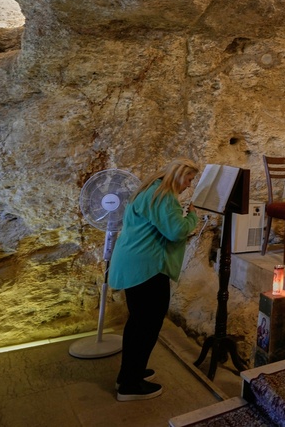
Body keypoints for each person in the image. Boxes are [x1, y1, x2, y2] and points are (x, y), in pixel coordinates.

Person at [108, 158, 200, 401]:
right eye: (189, 179)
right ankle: (129, 385)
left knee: (138, 323)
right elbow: (176, 231)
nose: (189, 185)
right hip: (146, 269)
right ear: (180, 175)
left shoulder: (152, 189)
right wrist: (193, 217)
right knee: (147, 326)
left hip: (135, 265)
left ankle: (129, 373)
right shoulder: (163, 197)